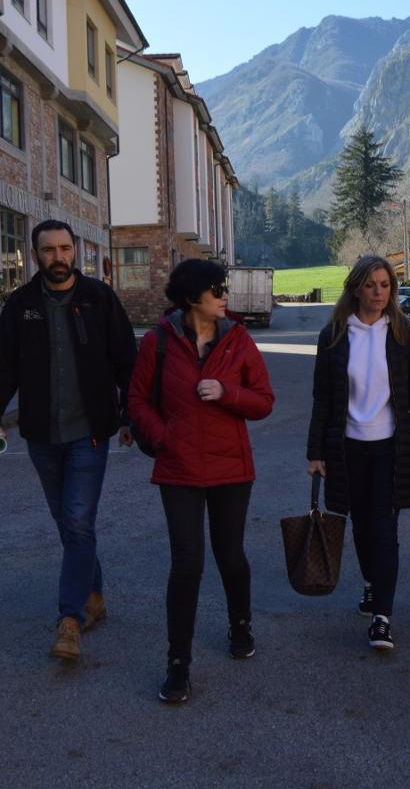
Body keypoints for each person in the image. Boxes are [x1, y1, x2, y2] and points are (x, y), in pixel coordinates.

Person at [0, 220, 137, 663]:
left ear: (76, 251)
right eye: (49, 250)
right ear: (35, 255)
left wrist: (131, 414)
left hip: (90, 433)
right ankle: (95, 597)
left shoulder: (99, 298)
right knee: (68, 523)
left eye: (65, 248)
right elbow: (3, 368)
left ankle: (70, 619)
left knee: (79, 521)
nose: (58, 257)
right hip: (42, 436)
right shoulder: (21, 305)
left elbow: (128, 362)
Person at [127, 259, 274, 704]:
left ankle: (240, 623)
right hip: (179, 470)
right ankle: (178, 663)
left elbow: (264, 401)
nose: (224, 295)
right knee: (186, 564)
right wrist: (163, 436)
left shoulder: (239, 339)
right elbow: (136, 401)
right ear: (193, 298)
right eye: (216, 289)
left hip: (232, 469)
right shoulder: (158, 343)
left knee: (230, 556)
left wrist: (227, 393)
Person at [306, 255, 410, 653]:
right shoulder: (335, 335)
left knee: (384, 529)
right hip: (346, 446)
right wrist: (315, 451)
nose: (379, 292)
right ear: (356, 288)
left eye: (385, 285)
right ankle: (373, 584)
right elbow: (322, 397)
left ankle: (382, 618)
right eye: (371, 284)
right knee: (358, 525)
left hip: (390, 446)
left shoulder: (404, 332)